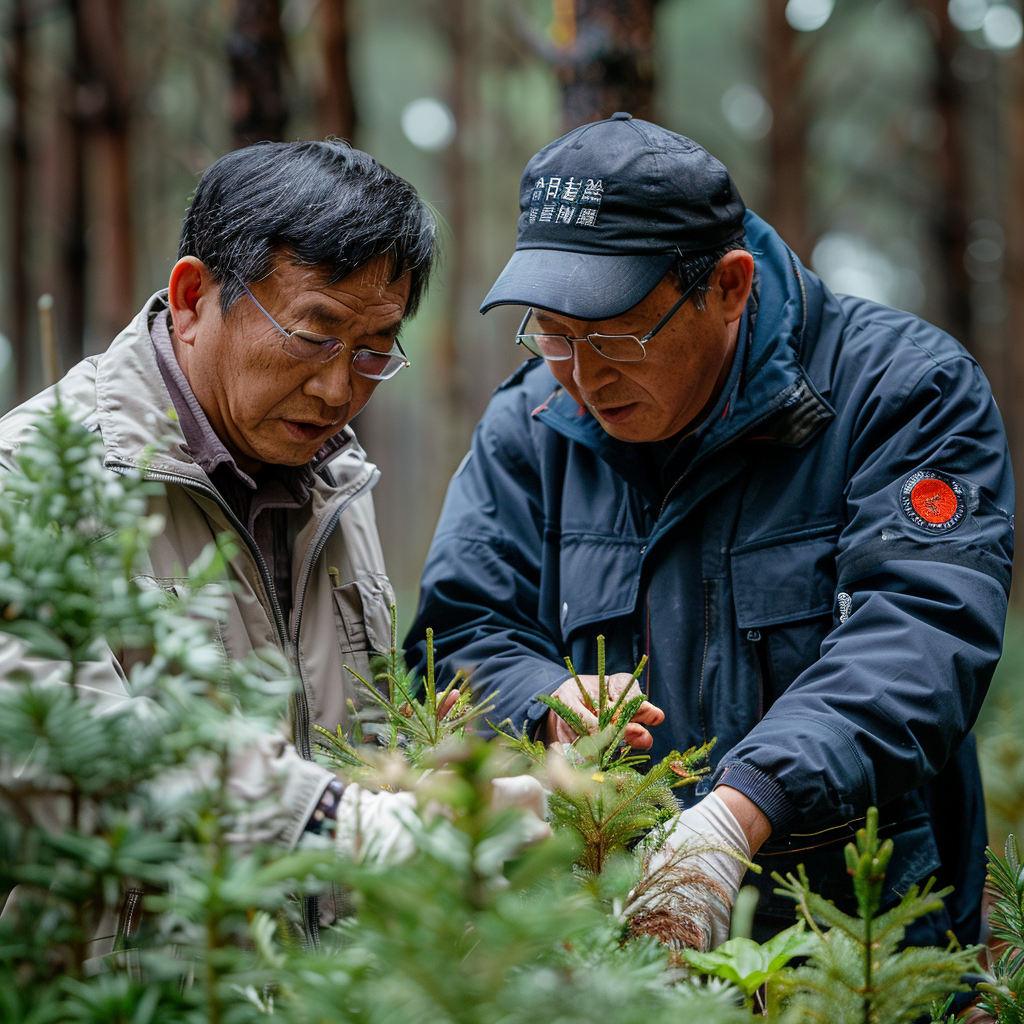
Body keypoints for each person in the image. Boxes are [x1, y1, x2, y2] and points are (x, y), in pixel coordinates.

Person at [405, 113, 1014, 948]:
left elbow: (920, 633)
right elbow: (463, 632)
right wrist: (544, 702)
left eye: (616, 335)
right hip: (602, 945)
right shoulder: (530, 424)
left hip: (857, 944)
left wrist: (741, 812)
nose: (583, 378)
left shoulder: (903, 391)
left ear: (729, 286)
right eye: (553, 334)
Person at [0, 140, 544, 942]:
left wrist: (424, 795)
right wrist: (333, 821)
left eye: (371, 351)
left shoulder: (334, 483)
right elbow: (50, 751)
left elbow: (338, 744)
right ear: (193, 298)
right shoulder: (37, 474)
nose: (336, 390)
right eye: (313, 336)